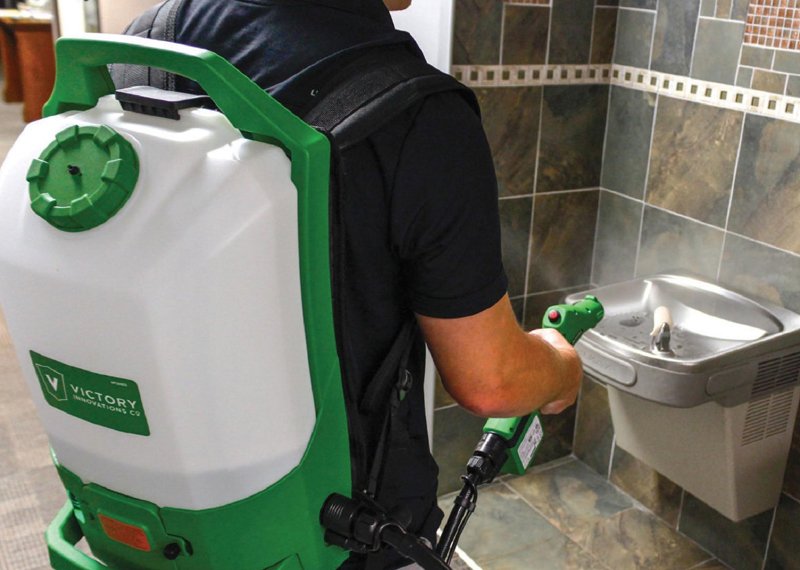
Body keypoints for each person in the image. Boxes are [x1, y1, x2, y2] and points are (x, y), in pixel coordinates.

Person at [116, 1, 582, 568]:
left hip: (151, 500)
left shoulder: (143, 45)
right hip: (337, 533)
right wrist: (560, 368)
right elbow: (493, 381)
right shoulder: (419, 115)